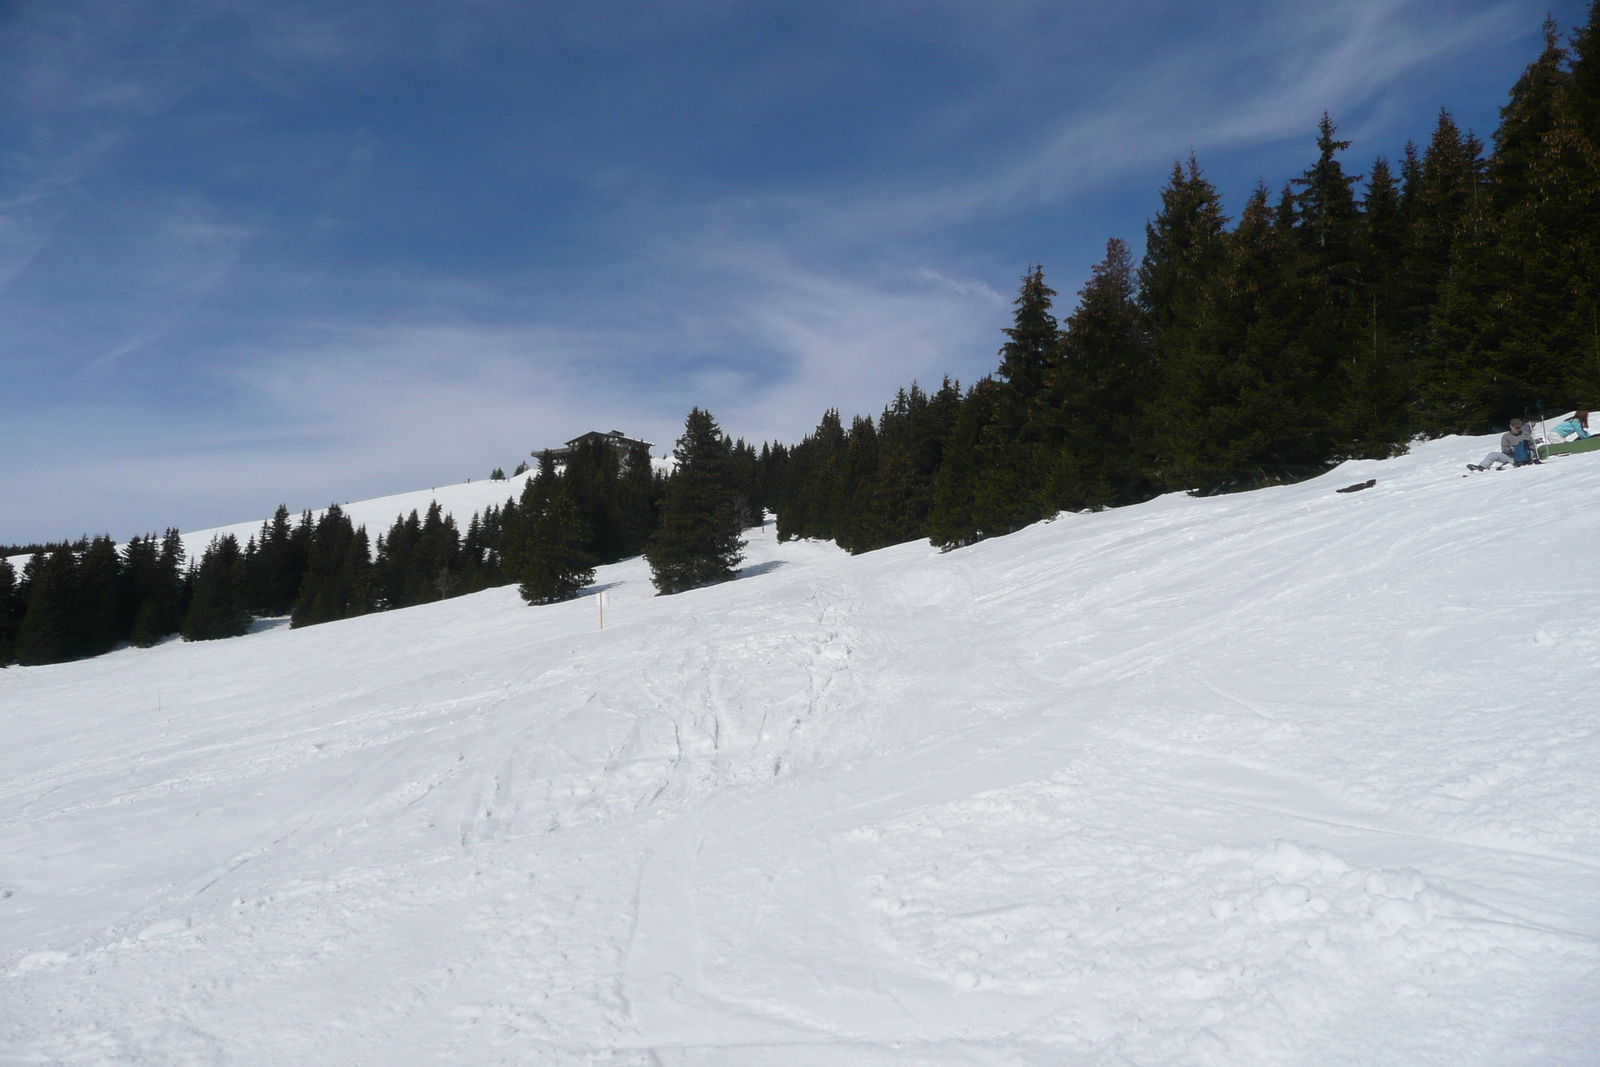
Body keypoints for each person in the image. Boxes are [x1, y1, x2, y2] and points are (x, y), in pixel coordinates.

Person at [1468, 418, 1541, 470]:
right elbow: (1504, 448)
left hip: (1525, 455)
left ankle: (1517, 463)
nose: (1519, 429)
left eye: (1520, 427)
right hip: (1511, 456)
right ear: (1511, 426)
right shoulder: (1506, 436)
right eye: (1517, 427)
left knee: (1530, 453)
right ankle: (1482, 467)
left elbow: (1532, 445)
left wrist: (1530, 450)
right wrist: (1511, 450)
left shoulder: (1525, 434)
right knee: (1492, 454)